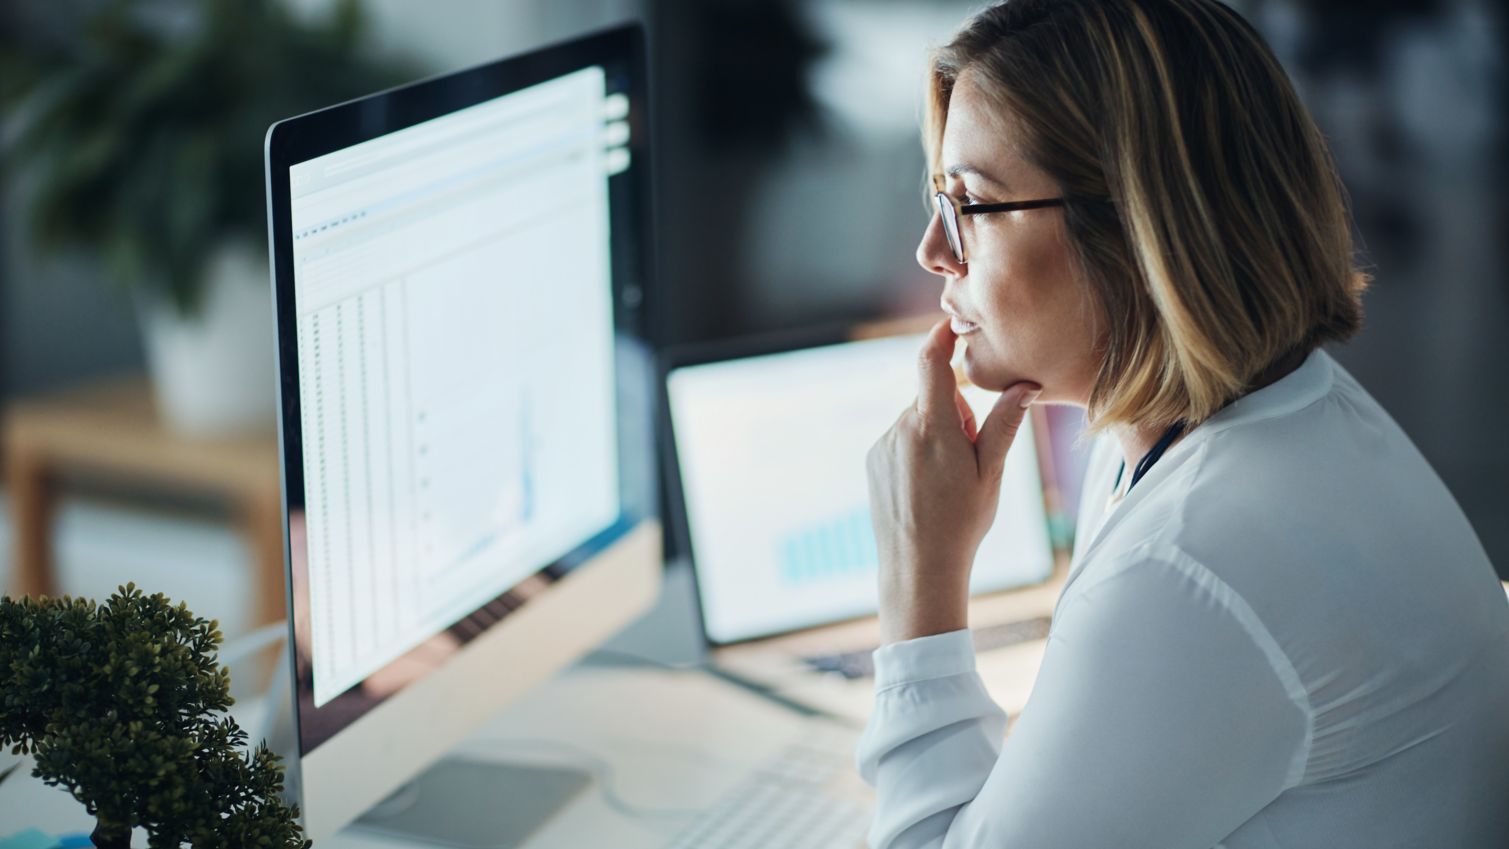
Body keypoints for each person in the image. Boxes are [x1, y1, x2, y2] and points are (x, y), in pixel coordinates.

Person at [859, 1, 1509, 847]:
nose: (932, 253)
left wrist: (920, 574)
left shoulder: (1195, 557)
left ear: (1135, 229)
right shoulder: (1268, 416)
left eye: (969, 204)